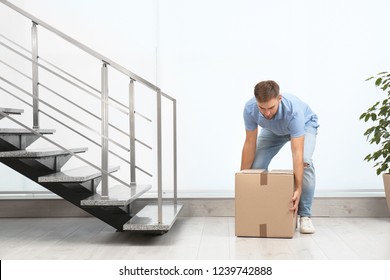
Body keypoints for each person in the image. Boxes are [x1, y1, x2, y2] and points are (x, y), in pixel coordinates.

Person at [240, 80, 319, 234]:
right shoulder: (249, 108)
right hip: (273, 130)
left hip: (303, 125)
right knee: (256, 168)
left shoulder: (294, 111)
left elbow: (297, 152)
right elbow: (250, 143)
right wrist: (242, 180)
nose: (266, 113)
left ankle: (305, 216)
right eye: (262, 108)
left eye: (271, 107)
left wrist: (298, 188)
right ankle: (260, 210)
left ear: (279, 99)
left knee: (305, 161)